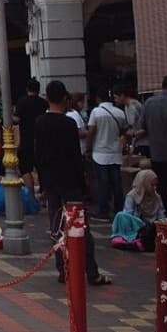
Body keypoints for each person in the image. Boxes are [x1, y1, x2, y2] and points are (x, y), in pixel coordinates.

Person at [35, 80, 112, 286]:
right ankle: (91, 271)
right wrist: (83, 183)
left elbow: (38, 156)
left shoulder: (40, 123)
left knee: (57, 226)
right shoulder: (68, 124)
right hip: (70, 181)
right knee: (80, 226)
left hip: (51, 182)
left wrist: (43, 184)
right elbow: (74, 157)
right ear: (64, 98)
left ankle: (63, 269)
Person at [136, 75, 167, 226]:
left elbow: (142, 126)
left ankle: (164, 218)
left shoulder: (149, 103)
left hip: (157, 152)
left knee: (161, 187)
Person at [87, 84, 129, 221]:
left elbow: (91, 132)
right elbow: (124, 131)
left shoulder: (96, 112)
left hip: (100, 152)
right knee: (117, 183)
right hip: (115, 152)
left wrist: (88, 147)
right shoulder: (120, 113)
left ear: (98, 98)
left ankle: (103, 210)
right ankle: (119, 209)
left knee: (102, 183)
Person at [110, 168, 167, 251]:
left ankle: (136, 241)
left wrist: (165, 223)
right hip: (136, 225)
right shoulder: (132, 196)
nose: (155, 188)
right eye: (152, 185)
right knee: (121, 216)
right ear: (144, 183)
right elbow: (128, 215)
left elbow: (161, 215)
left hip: (150, 227)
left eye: (156, 185)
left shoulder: (157, 198)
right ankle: (129, 239)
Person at [15, 78, 48, 196]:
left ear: (27, 89)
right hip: (41, 140)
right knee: (42, 168)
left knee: (25, 169)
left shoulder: (22, 102)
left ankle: (31, 194)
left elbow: (16, 119)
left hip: (26, 140)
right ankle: (45, 194)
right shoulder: (44, 103)